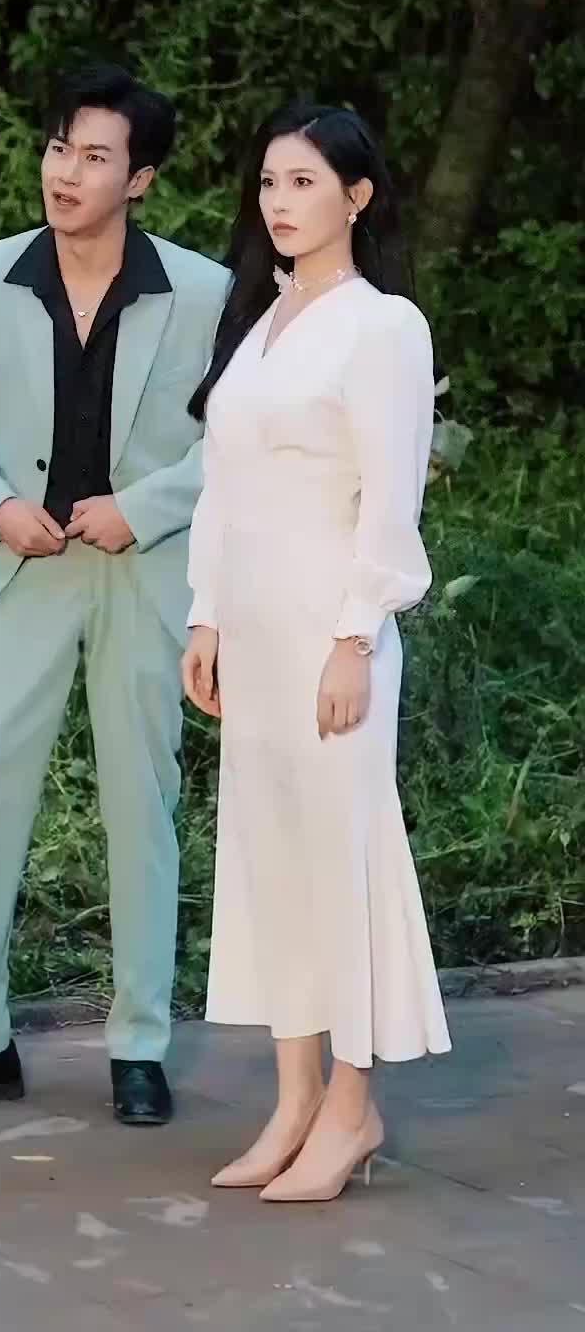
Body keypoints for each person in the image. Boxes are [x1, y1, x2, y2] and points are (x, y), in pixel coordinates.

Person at [0, 64, 232, 1125]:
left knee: (142, 805)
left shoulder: (205, 290)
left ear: (141, 179)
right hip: (21, 569)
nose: (67, 173)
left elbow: (238, 437)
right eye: (58, 148)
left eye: (95, 156)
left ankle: (140, 1047)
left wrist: (148, 505)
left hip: (141, 573)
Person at [182, 100, 450, 1202]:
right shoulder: (260, 324)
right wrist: (206, 616)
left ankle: (352, 1105)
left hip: (333, 629)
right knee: (273, 858)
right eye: (269, 182)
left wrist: (355, 635)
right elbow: (221, 486)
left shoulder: (383, 327)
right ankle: (292, 1101)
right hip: (253, 631)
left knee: (343, 855)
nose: (279, 202)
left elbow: (389, 500)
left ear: (358, 196)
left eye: (303, 182)